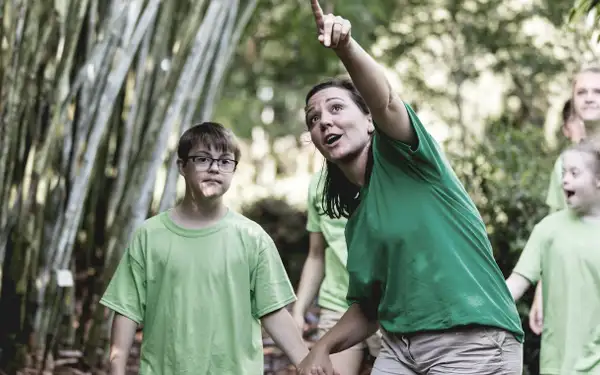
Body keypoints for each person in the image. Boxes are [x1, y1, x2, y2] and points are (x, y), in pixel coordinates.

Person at [296, 1, 524, 374]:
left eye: (336, 108)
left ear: (368, 120)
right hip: (401, 348)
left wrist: (345, 47)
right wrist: (322, 347)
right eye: (314, 118)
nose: (324, 121)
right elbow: (368, 309)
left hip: (471, 341)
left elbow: (384, 99)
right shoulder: (358, 221)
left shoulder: (407, 158)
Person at [100, 122, 308, 375]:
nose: (214, 168)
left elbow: (273, 311)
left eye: (224, 161)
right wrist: (117, 369)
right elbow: (127, 309)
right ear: (182, 166)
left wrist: (308, 363)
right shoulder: (150, 235)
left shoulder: (253, 237)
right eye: (202, 159)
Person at [506, 137, 600, 375]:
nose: (564, 179)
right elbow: (515, 285)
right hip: (556, 364)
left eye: (574, 173)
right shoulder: (547, 229)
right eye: (564, 172)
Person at [529, 67, 600, 335]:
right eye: (582, 92)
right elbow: (554, 231)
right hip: (574, 286)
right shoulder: (565, 164)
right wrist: (541, 292)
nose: (590, 98)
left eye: (597, 91)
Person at [292, 170, 381, 375]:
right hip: (338, 305)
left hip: (387, 308)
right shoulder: (318, 184)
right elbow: (316, 255)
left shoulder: (388, 176)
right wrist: (299, 310)